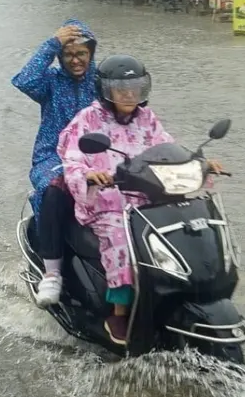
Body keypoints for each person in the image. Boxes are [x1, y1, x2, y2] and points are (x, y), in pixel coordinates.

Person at [56, 55, 172, 345]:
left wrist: (198, 163)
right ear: (106, 91)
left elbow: (166, 147)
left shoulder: (147, 118)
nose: (130, 95)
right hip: (106, 203)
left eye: (135, 88)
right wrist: (91, 174)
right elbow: (71, 158)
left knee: (180, 226)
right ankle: (119, 311)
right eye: (122, 89)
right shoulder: (88, 119)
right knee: (122, 238)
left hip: (144, 199)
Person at [12, 20, 98, 307]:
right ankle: (52, 274)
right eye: (68, 54)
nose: (75, 60)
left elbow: (132, 106)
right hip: (53, 157)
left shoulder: (103, 80)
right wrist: (52, 43)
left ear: (91, 54)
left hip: (98, 156)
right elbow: (23, 80)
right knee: (52, 187)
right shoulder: (49, 81)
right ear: (60, 58)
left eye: (81, 54)